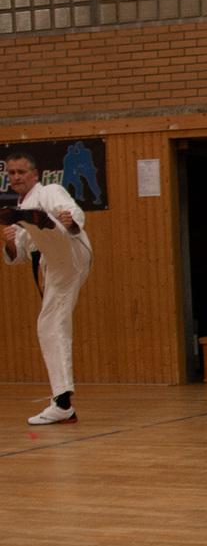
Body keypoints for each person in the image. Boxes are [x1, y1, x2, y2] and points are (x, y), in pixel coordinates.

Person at [2, 152, 93, 425]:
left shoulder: (50, 190)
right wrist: (7, 241)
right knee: (49, 324)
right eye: (12, 173)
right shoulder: (17, 213)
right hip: (57, 268)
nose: (16, 177)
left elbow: (71, 209)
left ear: (34, 175)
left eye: (21, 172)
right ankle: (62, 401)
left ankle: (47, 224)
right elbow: (17, 256)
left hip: (71, 249)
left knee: (51, 230)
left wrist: (70, 219)